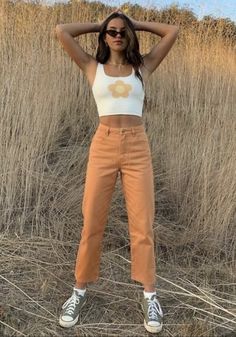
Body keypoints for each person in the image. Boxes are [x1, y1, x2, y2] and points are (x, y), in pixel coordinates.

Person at [55, 8, 179, 333]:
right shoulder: (92, 67)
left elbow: (172, 32)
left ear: (131, 35)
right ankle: (78, 290)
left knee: (143, 224)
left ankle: (150, 295)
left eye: (123, 31)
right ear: (103, 36)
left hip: (138, 146)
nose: (118, 36)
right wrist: (100, 22)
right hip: (104, 145)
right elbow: (61, 31)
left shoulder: (143, 67)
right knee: (92, 221)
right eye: (112, 31)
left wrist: (135, 22)